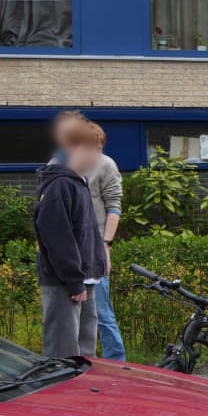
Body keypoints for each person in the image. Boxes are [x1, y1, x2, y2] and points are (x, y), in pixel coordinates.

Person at [51, 111, 126, 361]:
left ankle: (117, 363)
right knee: (71, 318)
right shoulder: (55, 167)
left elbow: (114, 205)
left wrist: (105, 245)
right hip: (68, 254)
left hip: (94, 251)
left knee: (101, 314)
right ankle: (75, 368)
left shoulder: (105, 164)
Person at [35, 118, 108, 359]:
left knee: (84, 351)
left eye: (99, 150)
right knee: (63, 352)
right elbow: (57, 237)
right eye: (92, 149)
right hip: (65, 283)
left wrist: (97, 263)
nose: (97, 157)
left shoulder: (80, 183)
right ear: (72, 149)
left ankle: (83, 394)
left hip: (85, 278)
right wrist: (74, 280)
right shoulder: (60, 186)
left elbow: (86, 232)